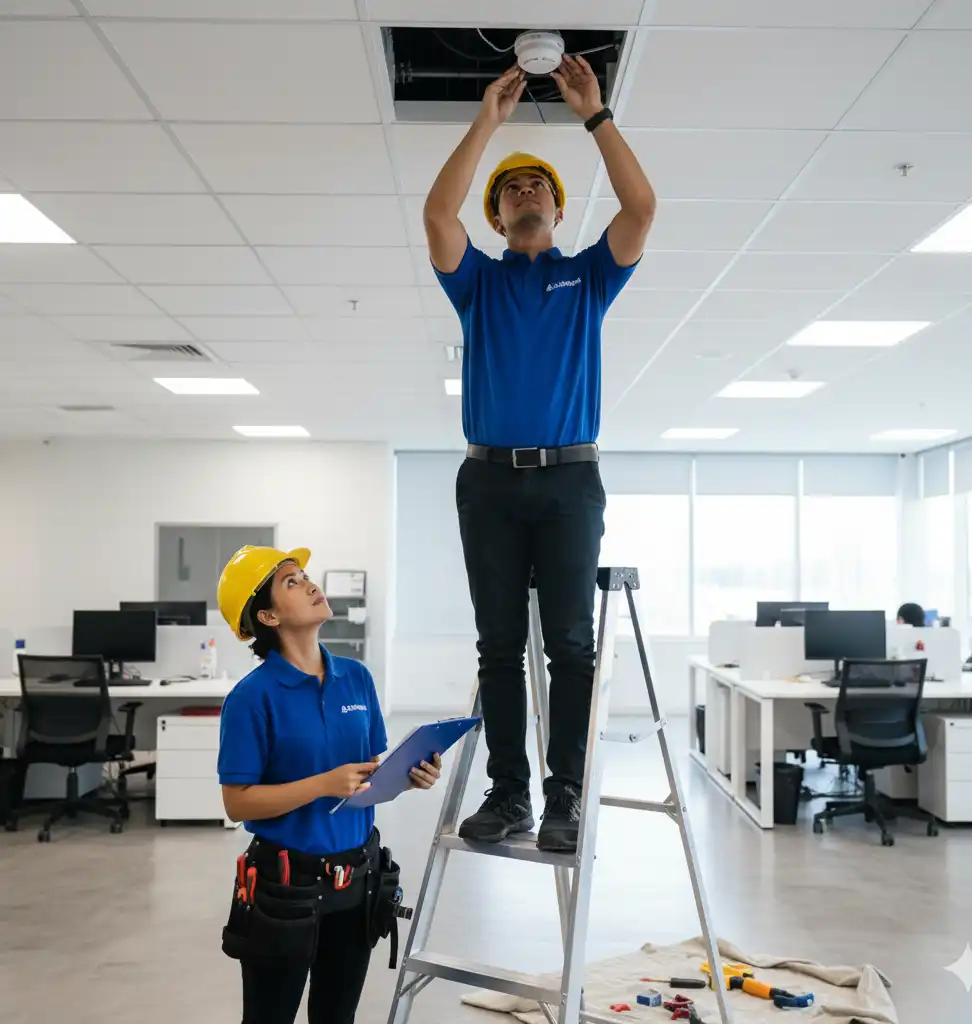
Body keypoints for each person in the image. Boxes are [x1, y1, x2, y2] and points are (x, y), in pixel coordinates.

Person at [424, 57, 656, 853]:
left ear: (559, 209)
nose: (524, 194)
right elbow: (435, 214)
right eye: (510, 191)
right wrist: (487, 120)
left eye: (538, 188)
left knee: (569, 645)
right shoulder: (478, 284)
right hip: (486, 480)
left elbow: (642, 206)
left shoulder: (589, 277)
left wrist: (595, 115)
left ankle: (565, 797)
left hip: (569, 482)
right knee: (498, 645)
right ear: (497, 218)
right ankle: (510, 793)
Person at [214, 545, 442, 1024]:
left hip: (357, 881)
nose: (311, 585)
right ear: (268, 615)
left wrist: (407, 777)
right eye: (291, 582)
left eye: (306, 576)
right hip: (285, 890)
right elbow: (237, 803)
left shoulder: (355, 678)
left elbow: (368, 772)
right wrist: (321, 784)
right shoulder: (251, 698)